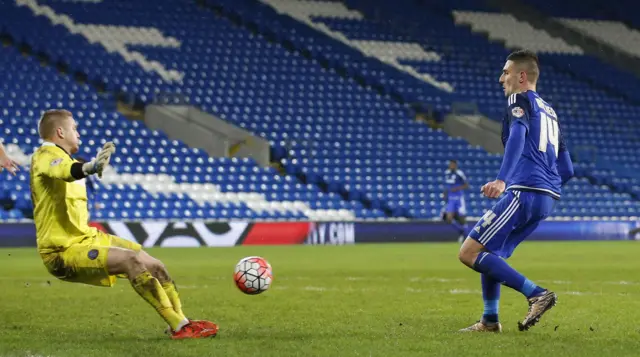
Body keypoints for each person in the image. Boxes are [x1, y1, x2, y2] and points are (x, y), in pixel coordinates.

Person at [30, 109, 218, 339]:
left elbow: (70, 172)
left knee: (155, 265)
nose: (78, 133)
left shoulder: (66, 158)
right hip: (61, 251)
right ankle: (179, 326)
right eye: (74, 128)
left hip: (86, 238)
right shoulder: (45, 155)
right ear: (60, 131)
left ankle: (182, 323)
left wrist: (88, 168)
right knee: (131, 261)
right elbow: (65, 171)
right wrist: (90, 167)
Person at [458, 50, 574, 332]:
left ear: (522, 76)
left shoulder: (518, 99)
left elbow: (519, 135)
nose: (501, 79)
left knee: (469, 252)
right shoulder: (550, 111)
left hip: (523, 191)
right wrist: (546, 188)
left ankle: (536, 293)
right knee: (490, 253)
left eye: (506, 72)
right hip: (545, 198)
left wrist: (502, 180)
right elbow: (567, 168)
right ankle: (489, 320)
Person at [442, 159, 469, 242]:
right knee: (448, 218)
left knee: (462, 219)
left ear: (456, 165)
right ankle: (461, 231)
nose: (451, 166)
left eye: (453, 164)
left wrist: (457, 188)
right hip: (451, 199)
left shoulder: (459, 173)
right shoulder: (446, 173)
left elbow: (466, 185)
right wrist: (445, 193)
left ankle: (467, 236)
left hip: (459, 198)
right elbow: (447, 185)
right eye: (450, 164)